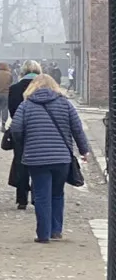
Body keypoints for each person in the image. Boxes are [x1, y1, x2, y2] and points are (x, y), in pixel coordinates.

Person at [10, 73, 91, 243]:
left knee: (41, 195)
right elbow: (77, 129)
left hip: (36, 157)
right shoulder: (65, 104)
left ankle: (43, 234)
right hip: (61, 157)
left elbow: (16, 129)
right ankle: (56, 230)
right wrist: (84, 150)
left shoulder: (26, 105)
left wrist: (24, 143)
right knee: (57, 193)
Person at [6, 60, 42, 210]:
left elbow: (12, 111)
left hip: (19, 130)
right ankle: (37, 197)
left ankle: (21, 199)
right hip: (39, 130)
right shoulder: (43, 87)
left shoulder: (14, 88)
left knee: (20, 163)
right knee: (39, 163)